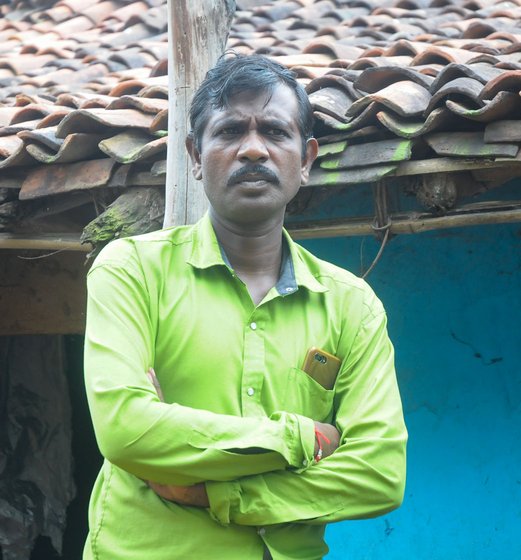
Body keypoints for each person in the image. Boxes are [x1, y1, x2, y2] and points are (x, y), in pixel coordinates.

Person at [83, 53, 407, 560]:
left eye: (275, 133)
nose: (252, 149)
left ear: (306, 159)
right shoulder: (132, 271)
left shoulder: (351, 306)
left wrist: (217, 493)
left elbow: (379, 475)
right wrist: (304, 439)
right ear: (194, 154)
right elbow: (127, 431)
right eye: (231, 131)